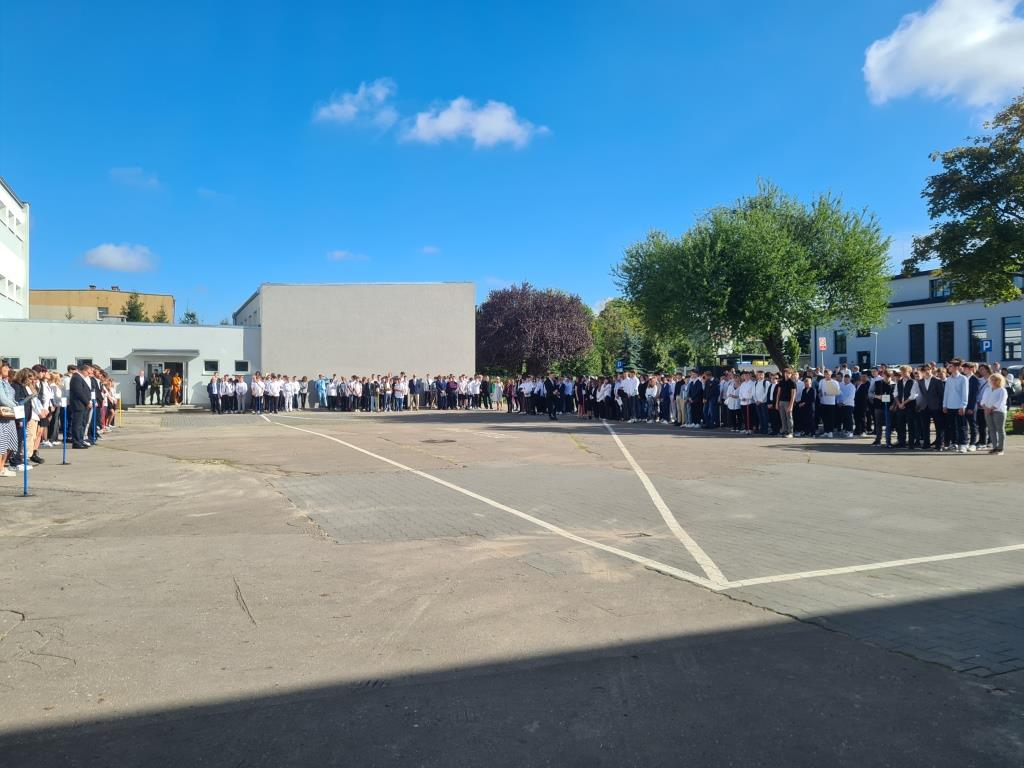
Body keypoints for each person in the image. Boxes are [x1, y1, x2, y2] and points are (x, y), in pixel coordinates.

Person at [942, 359, 969, 454]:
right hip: (950, 406)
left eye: (950, 366)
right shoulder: (949, 379)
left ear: (956, 367)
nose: (948, 368)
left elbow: (965, 393)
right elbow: (946, 393)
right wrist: (944, 405)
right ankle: (954, 443)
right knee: (952, 426)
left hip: (959, 406)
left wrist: (963, 406)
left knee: (962, 426)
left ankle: (963, 445)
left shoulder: (963, 379)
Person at [980, 373, 1008, 456]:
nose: (993, 381)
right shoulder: (987, 389)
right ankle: (995, 447)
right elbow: (983, 400)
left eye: (996, 380)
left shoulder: (1002, 390)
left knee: (1000, 429)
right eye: (992, 380)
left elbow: (1001, 401)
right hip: (987, 411)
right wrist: (985, 408)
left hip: (998, 411)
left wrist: (991, 408)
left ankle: (1000, 448)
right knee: (991, 430)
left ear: (1000, 381)